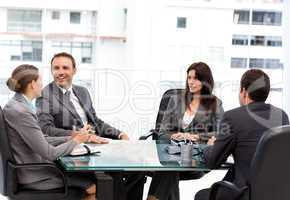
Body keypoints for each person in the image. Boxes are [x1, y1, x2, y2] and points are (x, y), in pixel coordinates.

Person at [36, 52, 145, 200]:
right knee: (115, 172)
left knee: (138, 169)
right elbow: (46, 129)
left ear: (74, 70)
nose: (60, 72)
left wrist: (119, 134)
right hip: (72, 151)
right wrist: (78, 135)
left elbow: (95, 122)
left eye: (65, 68)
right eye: (56, 68)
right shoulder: (45, 94)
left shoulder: (82, 91)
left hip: (95, 145)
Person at [4, 64, 109, 200]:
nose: (43, 84)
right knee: (97, 186)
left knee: (94, 179)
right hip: (36, 177)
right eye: (40, 80)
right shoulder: (22, 112)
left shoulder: (17, 105)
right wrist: (76, 141)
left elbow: (42, 139)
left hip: (31, 171)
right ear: (32, 84)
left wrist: (77, 137)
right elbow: (50, 153)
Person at [195, 69, 289, 200]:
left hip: (244, 193)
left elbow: (212, 161)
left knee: (201, 196)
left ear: (244, 92)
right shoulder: (282, 116)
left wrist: (209, 146)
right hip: (277, 193)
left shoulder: (232, 117)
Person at [147, 62, 224, 200]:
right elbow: (162, 131)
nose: (191, 82)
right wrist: (176, 136)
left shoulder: (215, 103)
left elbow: (221, 132)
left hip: (196, 157)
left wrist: (195, 136)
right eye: (189, 78)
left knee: (168, 169)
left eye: (196, 78)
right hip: (172, 152)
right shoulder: (175, 99)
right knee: (170, 167)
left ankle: (152, 198)